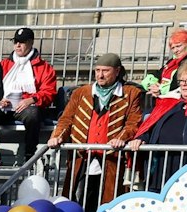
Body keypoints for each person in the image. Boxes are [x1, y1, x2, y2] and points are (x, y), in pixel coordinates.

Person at [48, 53, 144, 200]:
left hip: (111, 158)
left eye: (105, 71)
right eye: (97, 70)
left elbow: (133, 123)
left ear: (117, 71)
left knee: (108, 201)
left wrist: (121, 138)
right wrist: (57, 136)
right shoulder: (81, 93)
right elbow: (66, 119)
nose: (100, 75)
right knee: (74, 199)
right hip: (82, 156)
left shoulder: (131, 93)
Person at [0, 29, 57, 155]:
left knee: (32, 114)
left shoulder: (44, 67)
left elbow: (49, 92)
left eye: (22, 42)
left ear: (31, 43)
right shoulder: (3, 65)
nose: (18, 45)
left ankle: (29, 153)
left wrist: (32, 99)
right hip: (4, 105)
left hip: (26, 107)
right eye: (16, 41)